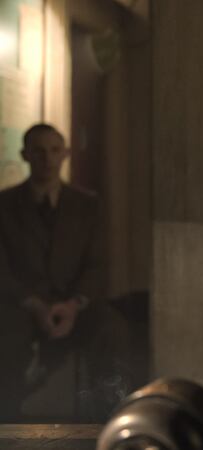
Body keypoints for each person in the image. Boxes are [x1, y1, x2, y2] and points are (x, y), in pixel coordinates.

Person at [0, 123, 129, 421]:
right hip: (22, 306)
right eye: (38, 151)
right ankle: (9, 422)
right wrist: (32, 304)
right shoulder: (4, 205)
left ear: (65, 154)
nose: (47, 159)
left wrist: (73, 305)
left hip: (75, 304)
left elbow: (99, 264)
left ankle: (105, 419)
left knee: (113, 329)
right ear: (24, 154)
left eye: (55, 150)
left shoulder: (87, 205)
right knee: (6, 336)